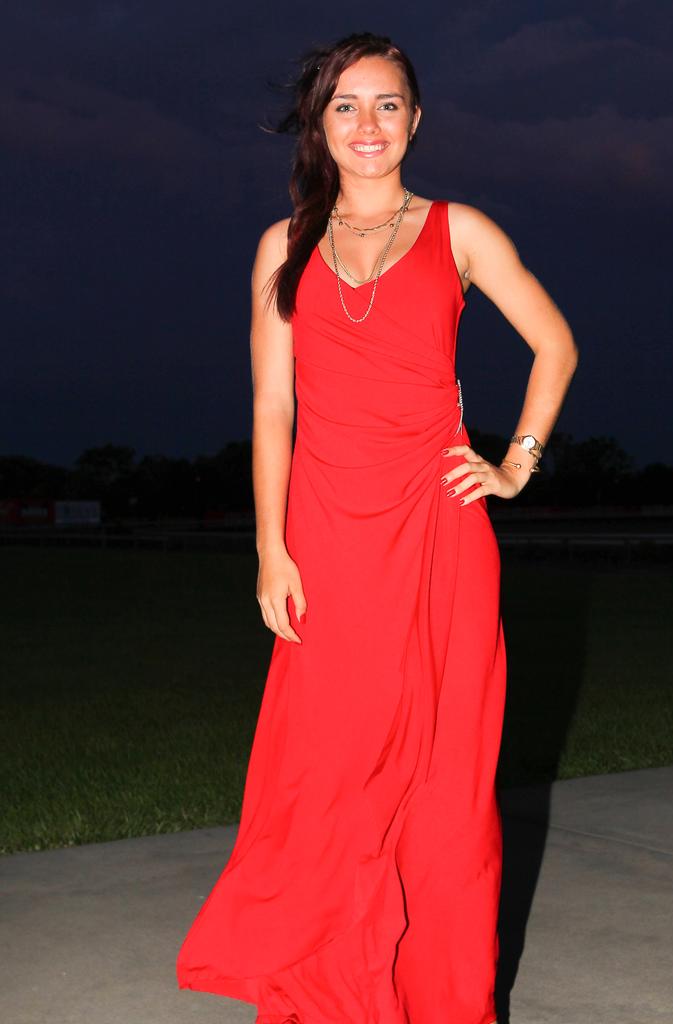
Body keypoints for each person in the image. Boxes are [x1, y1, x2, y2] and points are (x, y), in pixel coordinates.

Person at [177, 30, 578, 1024]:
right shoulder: (284, 245)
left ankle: (442, 1000)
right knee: (331, 778)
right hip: (330, 542)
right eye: (347, 105)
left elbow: (555, 343)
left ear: (417, 119)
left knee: (444, 788)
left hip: (439, 537)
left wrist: (515, 464)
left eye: (388, 103)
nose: (368, 124)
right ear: (318, 123)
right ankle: (332, 990)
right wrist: (271, 546)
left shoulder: (460, 231)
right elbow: (273, 407)